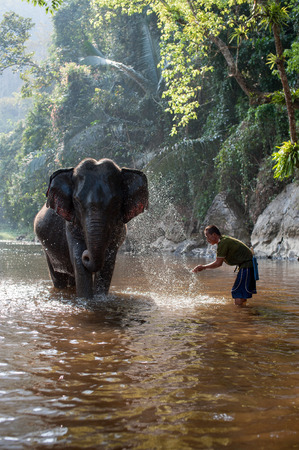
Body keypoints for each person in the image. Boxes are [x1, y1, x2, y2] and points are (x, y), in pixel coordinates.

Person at [192, 225, 257, 306]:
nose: (207, 240)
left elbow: (218, 263)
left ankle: (239, 315)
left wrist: (203, 267)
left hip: (247, 266)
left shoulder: (223, 243)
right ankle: (243, 313)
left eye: (207, 236)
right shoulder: (224, 240)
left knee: (237, 293)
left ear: (214, 235)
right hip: (248, 266)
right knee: (241, 293)